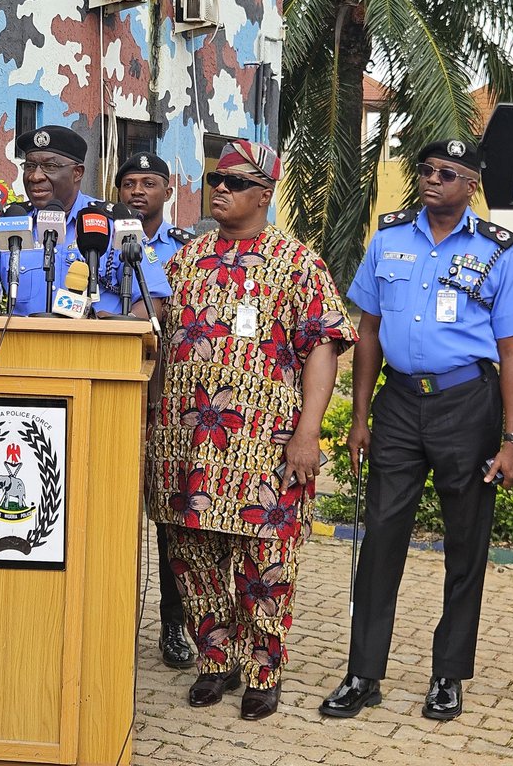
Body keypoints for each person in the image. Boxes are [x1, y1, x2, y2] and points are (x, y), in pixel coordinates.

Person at [148, 138, 356, 719]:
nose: (220, 188)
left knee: (264, 563)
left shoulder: (297, 263)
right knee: (191, 556)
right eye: (217, 178)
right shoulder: (185, 258)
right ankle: (217, 660)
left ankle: (263, 669)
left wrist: (308, 433)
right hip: (182, 444)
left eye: (236, 182)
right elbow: (158, 336)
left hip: (262, 446)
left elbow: (322, 348)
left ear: (263, 193)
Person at [320, 139, 513, 722]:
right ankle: (363, 673)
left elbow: (511, 348)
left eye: (448, 173)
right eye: (428, 170)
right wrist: (358, 419)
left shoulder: (500, 252)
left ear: (472, 186)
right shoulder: (389, 238)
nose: (433, 179)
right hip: (401, 404)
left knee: (465, 546)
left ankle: (448, 676)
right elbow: (368, 333)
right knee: (380, 537)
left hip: (468, 406)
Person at [0, 125, 170, 318]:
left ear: (77, 172)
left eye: (49, 166)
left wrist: (120, 328)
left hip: (97, 355)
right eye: (30, 166)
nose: (35, 176)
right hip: (20, 355)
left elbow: (153, 299)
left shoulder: (112, 222)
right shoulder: (10, 222)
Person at [116, 151, 194, 669]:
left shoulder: (189, 250)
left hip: (168, 403)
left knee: (169, 521)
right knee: (109, 515)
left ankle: (173, 625)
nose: (137, 191)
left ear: (169, 191)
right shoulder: (92, 238)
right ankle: (109, 616)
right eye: (128, 183)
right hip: (112, 396)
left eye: (149, 183)